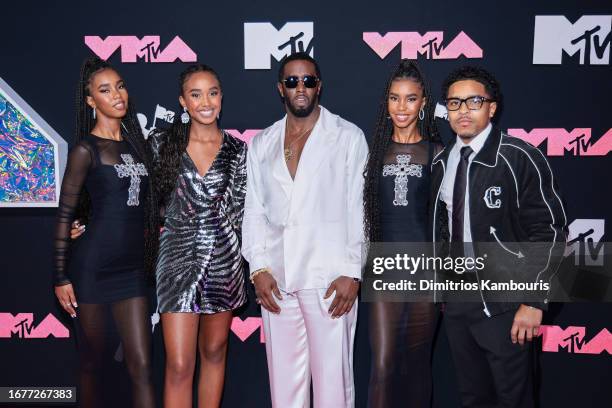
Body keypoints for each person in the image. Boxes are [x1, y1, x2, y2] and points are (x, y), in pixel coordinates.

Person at [431, 66, 567, 407]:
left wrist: (534, 302)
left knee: (514, 399)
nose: (463, 110)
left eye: (473, 101)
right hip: (459, 303)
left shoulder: (519, 157)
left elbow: (549, 232)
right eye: (454, 103)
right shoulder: (442, 163)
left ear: (492, 107)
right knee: (473, 398)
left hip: (508, 307)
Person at [242, 52, 368, 408]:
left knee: (333, 384)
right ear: (280, 88)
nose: (301, 88)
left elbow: (358, 208)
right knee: (284, 385)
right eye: (292, 81)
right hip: (277, 280)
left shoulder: (347, 136)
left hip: (329, 278)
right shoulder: (262, 142)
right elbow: (254, 210)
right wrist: (259, 269)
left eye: (308, 80)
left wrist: (351, 271)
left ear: (319, 86)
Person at [54, 56, 158, 408]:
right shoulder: (85, 149)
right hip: (92, 271)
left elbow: (148, 206)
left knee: (142, 366)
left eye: (120, 86)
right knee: (91, 365)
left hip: (132, 273)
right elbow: (66, 212)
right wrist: (60, 276)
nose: (117, 95)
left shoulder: (138, 145)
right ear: (90, 101)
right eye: (104, 90)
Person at [150, 64, 247, 408]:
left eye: (213, 92)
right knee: (178, 364)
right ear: (183, 102)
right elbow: (132, 194)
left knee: (215, 351)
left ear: (221, 97)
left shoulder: (238, 150)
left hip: (224, 260)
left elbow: (242, 213)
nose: (206, 101)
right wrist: (84, 218)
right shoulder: (162, 143)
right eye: (196, 94)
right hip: (176, 259)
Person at [363, 59, 442, 408]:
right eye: (395, 98)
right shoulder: (374, 154)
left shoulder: (439, 154)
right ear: (387, 102)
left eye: (410, 99)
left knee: (416, 368)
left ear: (423, 103)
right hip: (383, 269)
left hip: (426, 273)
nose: (402, 107)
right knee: (382, 366)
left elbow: (447, 223)